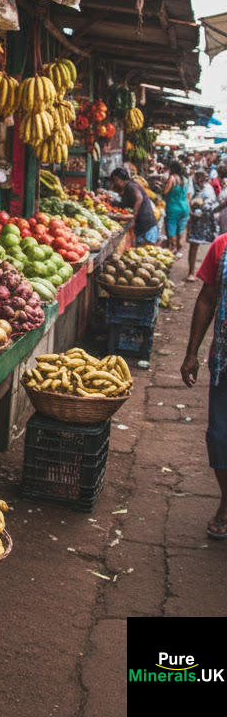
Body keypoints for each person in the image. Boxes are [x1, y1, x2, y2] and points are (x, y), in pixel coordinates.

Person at [182, 229, 227, 539]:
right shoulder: (222, 246)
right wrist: (191, 353)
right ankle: (226, 501)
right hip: (224, 363)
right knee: (219, 437)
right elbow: (207, 299)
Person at [109, 166, 159, 245]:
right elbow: (125, 205)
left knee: (147, 249)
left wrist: (133, 216)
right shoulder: (127, 188)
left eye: (115, 181)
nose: (115, 183)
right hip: (142, 225)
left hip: (147, 225)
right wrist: (113, 203)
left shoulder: (131, 186)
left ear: (119, 179)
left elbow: (139, 198)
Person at [186, 168, 219, 281]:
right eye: (198, 178)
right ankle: (191, 272)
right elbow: (189, 199)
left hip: (205, 221)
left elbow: (213, 203)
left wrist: (203, 205)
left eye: (202, 178)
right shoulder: (192, 186)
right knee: (193, 245)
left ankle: (210, 273)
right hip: (195, 220)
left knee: (212, 246)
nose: (200, 181)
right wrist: (191, 209)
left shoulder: (208, 188)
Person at [162, 160, 189, 256]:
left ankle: (173, 248)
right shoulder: (185, 179)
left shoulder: (172, 178)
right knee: (181, 228)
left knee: (172, 228)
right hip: (184, 207)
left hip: (173, 208)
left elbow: (165, 192)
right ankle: (180, 249)